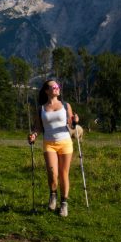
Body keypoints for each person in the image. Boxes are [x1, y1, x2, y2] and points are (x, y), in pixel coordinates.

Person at [27, 79, 79, 217]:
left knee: (63, 174)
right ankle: (53, 195)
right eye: (53, 86)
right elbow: (38, 127)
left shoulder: (66, 105)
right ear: (46, 90)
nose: (57, 88)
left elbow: (71, 125)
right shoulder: (41, 108)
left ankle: (64, 204)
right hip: (49, 143)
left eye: (58, 86)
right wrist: (34, 135)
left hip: (65, 142)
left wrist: (75, 121)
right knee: (52, 173)